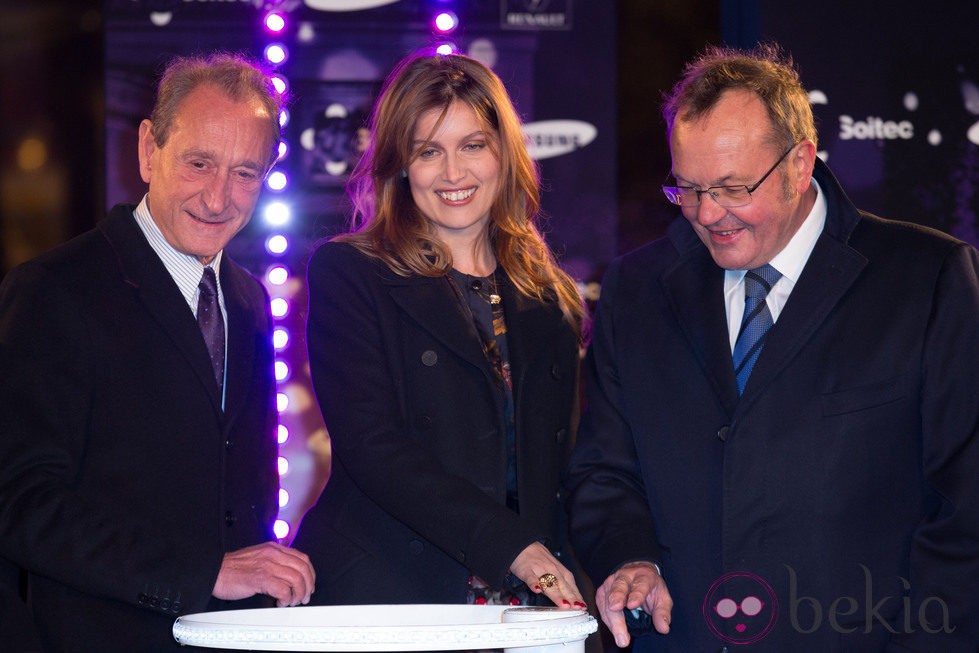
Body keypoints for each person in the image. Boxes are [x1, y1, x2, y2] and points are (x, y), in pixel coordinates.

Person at [564, 42, 979, 652]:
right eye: (688, 188)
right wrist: (631, 558)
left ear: (800, 163)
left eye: (734, 188)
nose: (708, 214)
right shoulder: (637, 288)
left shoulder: (929, 279)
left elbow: (966, 508)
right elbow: (604, 471)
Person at [0, 52, 315, 652]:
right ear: (149, 149)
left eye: (246, 173)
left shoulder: (247, 300)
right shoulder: (53, 290)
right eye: (200, 163)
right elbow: (19, 500)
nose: (219, 198)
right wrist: (204, 574)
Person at [291, 51, 588, 609]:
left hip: (520, 606)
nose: (454, 174)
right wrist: (514, 548)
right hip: (392, 595)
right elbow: (374, 448)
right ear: (400, 166)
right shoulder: (353, 273)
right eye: (429, 152)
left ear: (505, 154)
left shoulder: (545, 294)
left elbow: (562, 469)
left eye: (473, 146)